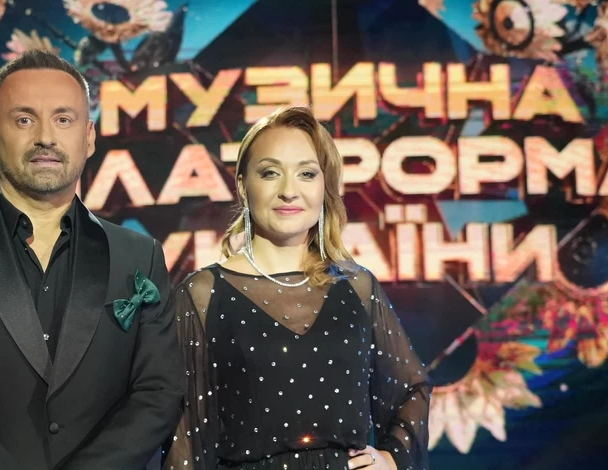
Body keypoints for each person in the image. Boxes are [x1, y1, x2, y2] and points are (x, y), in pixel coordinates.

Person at [0, 50, 184, 470]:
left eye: (63, 119)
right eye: (24, 120)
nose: (46, 137)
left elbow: (158, 393)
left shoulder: (141, 255)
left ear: (89, 136)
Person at [163, 107, 430, 470]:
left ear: (325, 186)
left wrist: (391, 458)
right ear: (242, 186)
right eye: (270, 173)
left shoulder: (356, 286)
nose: (289, 191)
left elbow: (411, 389)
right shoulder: (202, 295)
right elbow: (185, 434)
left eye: (306, 173)